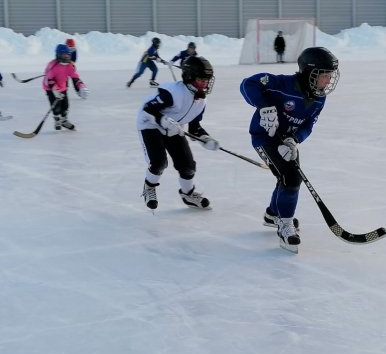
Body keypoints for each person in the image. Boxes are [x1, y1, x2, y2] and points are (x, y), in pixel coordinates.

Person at [239, 46, 340, 249]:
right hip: (264, 137)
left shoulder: (320, 97)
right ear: (309, 72)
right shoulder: (281, 84)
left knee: (287, 177)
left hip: (287, 141)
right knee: (291, 178)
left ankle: (273, 214)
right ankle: (285, 226)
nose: (328, 80)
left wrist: (294, 140)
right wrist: (264, 106)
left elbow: (308, 125)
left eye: (330, 75)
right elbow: (247, 84)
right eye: (324, 75)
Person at [136, 56, 220, 211]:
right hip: (149, 125)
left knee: (188, 166)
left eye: (208, 79)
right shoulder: (172, 93)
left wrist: (205, 138)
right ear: (190, 77)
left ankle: (188, 194)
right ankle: (149, 187)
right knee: (159, 162)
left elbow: (194, 127)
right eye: (202, 79)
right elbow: (148, 109)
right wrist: (162, 120)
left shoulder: (201, 101)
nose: (206, 83)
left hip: (174, 128)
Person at [42, 44, 89, 131]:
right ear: (58, 55)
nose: (66, 57)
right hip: (50, 89)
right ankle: (57, 120)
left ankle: (64, 121)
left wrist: (81, 86)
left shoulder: (69, 66)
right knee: (56, 106)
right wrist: (54, 89)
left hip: (62, 87)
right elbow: (48, 80)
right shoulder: (53, 66)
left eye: (67, 55)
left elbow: (75, 77)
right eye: (64, 55)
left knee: (65, 105)